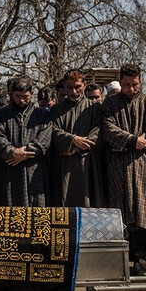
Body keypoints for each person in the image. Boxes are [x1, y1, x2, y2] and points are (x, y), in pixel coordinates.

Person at [101, 64, 146, 276]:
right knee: (120, 211)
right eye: (127, 84)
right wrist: (131, 140)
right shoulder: (110, 103)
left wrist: (145, 140)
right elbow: (107, 128)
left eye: (134, 84)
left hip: (145, 165)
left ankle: (141, 259)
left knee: (143, 211)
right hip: (119, 164)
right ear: (121, 82)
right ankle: (119, 260)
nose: (131, 88)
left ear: (140, 82)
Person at [0, 77, 52, 207]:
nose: (22, 100)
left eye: (25, 96)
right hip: (10, 170)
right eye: (18, 96)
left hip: (34, 171)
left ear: (32, 95)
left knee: (37, 214)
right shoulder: (1, 114)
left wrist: (23, 153)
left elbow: (44, 140)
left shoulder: (42, 115)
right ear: (12, 94)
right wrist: (12, 152)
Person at [50, 71, 104, 207]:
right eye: (69, 87)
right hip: (65, 164)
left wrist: (83, 144)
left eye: (77, 87)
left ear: (84, 85)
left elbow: (99, 130)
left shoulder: (95, 108)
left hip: (88, 163)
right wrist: (73, 140)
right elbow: (53, 132)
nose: (73, 91)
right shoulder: (56, 110)